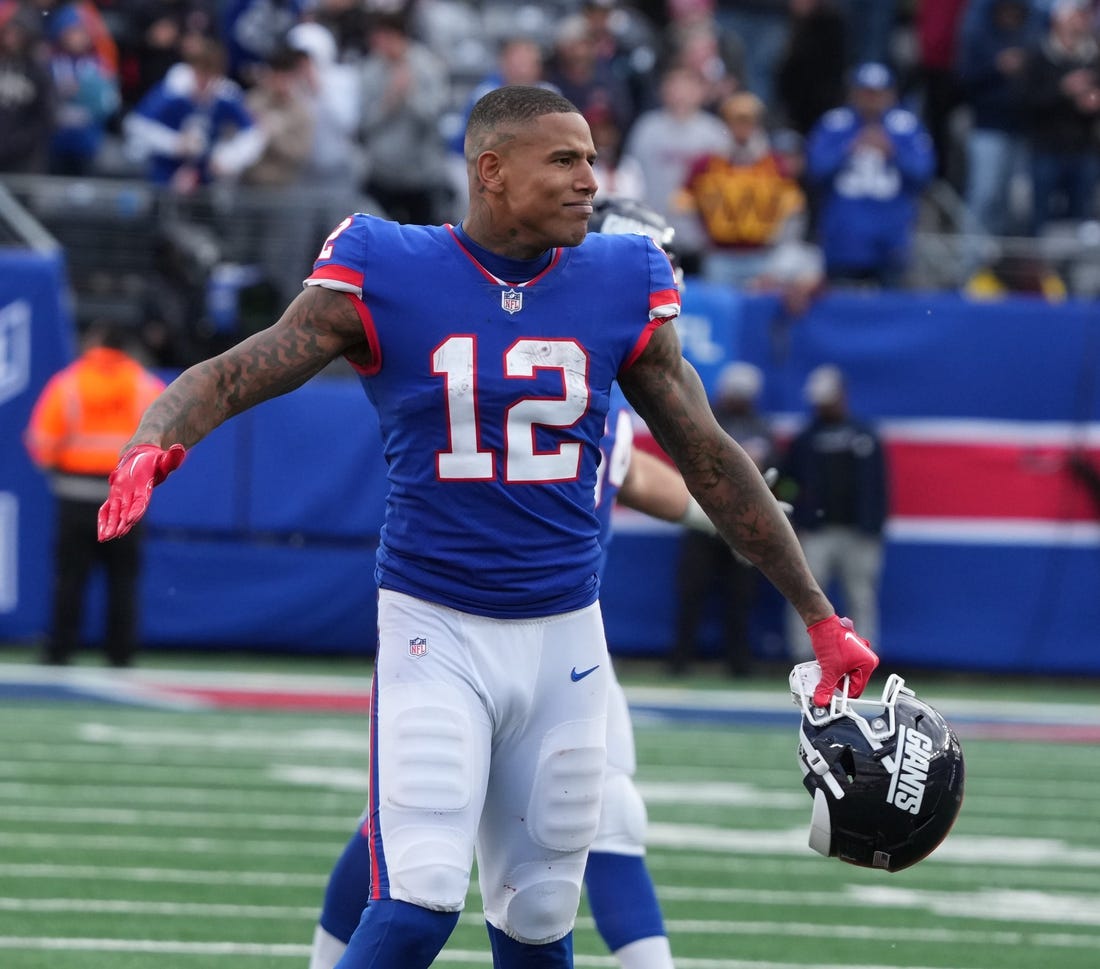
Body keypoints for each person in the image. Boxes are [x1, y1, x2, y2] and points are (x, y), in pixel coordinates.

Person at [97, 85, 877, 969]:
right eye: (566, 159)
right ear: (492, 173)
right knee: (419, 902)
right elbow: (237, 373)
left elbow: (708, 455)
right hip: (437, 628)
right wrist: (155, 437)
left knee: (542, 923)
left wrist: (819, 614)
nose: (591, 178)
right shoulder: (384, 264)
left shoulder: (623, 280)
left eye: (592, 158)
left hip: (565, 643)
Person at [308, 198, 720, 969]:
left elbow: (655, 480)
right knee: (415, 862)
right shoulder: (547, 360)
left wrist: (732, 511)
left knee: (534, 878)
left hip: (557, 638)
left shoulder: (592, 386)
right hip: (454, 624)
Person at [24, 321, 167, 667]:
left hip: (74, 495)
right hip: (126, 497)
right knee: (122, 581)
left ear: (95, 342)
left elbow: (42, 444)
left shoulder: (69, 384)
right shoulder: (145, 386)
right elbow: (171, 441)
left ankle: (59, 651)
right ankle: (120, 655)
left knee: (70, 578)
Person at [669, 361, 778, 677]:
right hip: (704, 517)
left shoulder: (760, 427)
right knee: (691, 590)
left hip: (743, 519)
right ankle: (680, 659)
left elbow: (775, 470)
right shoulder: (705, 420)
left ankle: (739, 663)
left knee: (740, 595)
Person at [781, 364, 888, 663]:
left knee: (860, 596)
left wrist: (873, 525)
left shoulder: (864, 435)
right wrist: (797, 516)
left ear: (841, 395)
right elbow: (788, 483)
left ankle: (862, 657)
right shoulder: (806, 439)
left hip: (858, 532)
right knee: (807, 594)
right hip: (817, 531)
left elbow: (878, 485)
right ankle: (804, 658)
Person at [805, 61, 936, 288]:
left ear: (891, 94)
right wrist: (847, 149)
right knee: (842, 312)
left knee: (891, 315)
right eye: (866, 93)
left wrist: (893, 153)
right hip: (843, 240)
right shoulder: (835, 124)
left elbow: (924, 174)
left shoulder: (906, 127)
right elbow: (815, 170)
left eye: (877, 93)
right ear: (853, 93)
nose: (871, 100)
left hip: (890, 240)